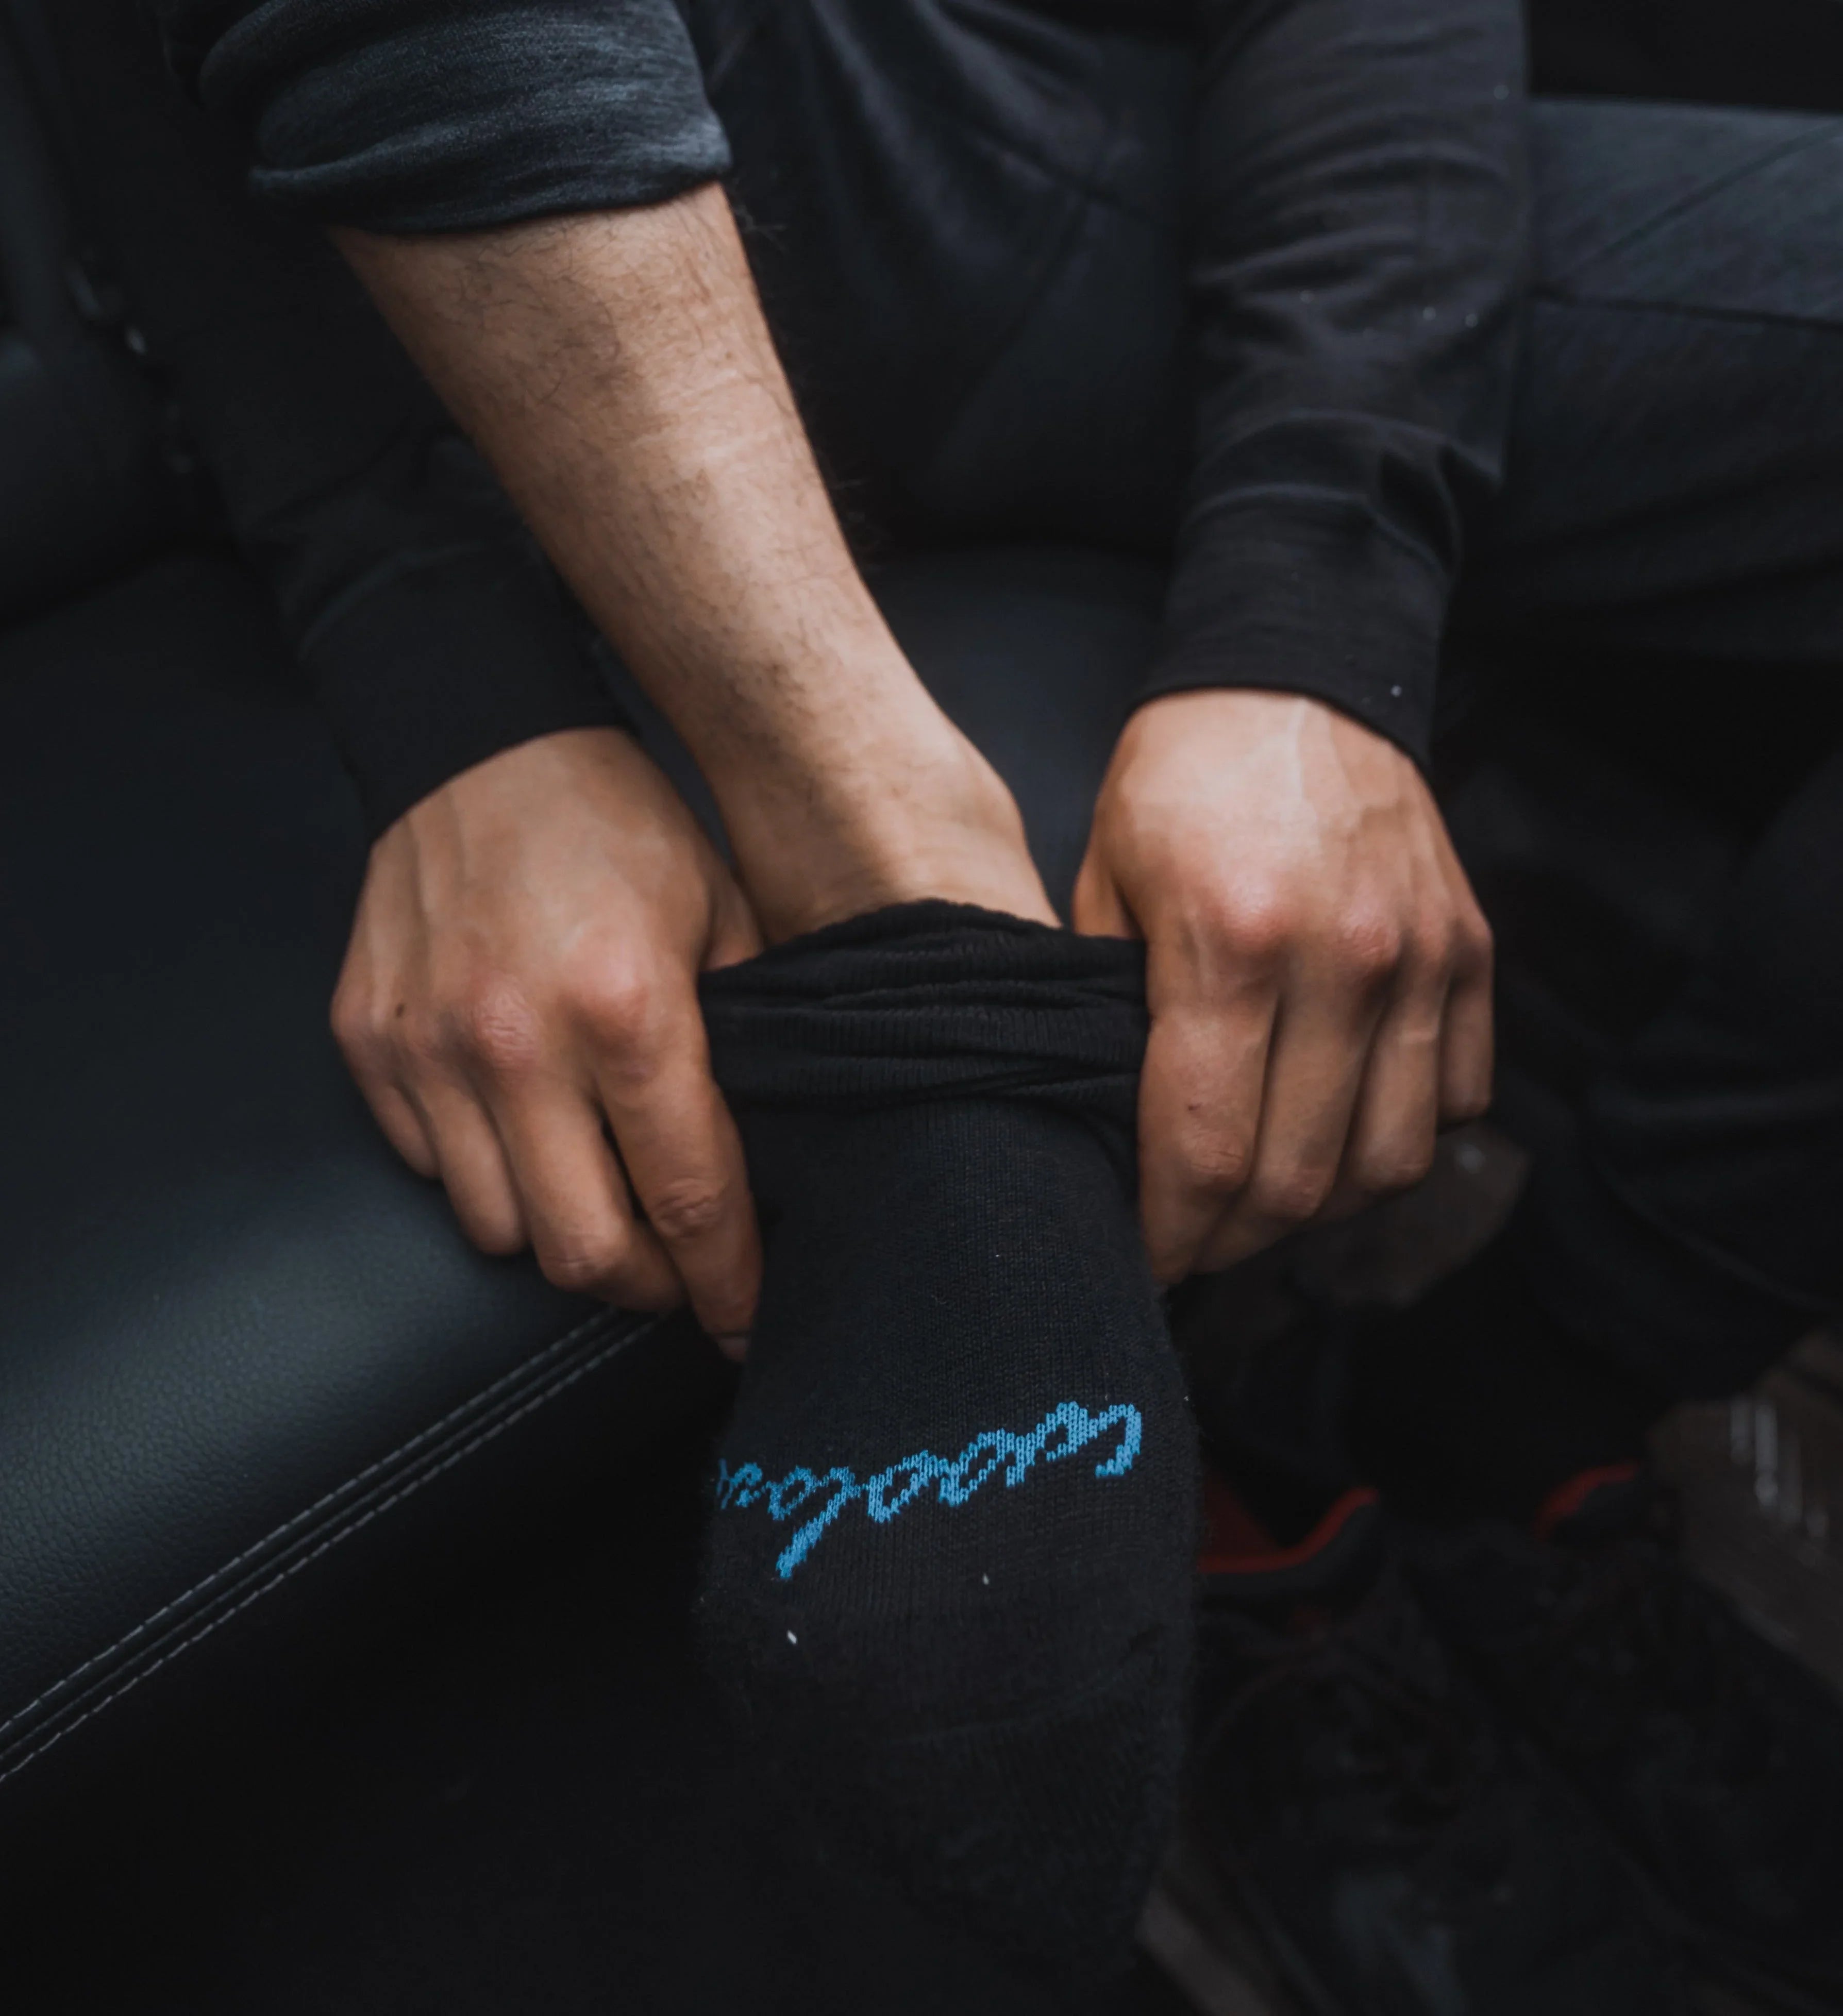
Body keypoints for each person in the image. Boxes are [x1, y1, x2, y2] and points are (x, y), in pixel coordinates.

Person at [111, 0, 1843, 2004]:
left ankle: (1490, 1411)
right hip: (444, 288)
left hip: (1041, 183)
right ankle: (906, 929)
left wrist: (1315, 613)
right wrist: (438, 670)